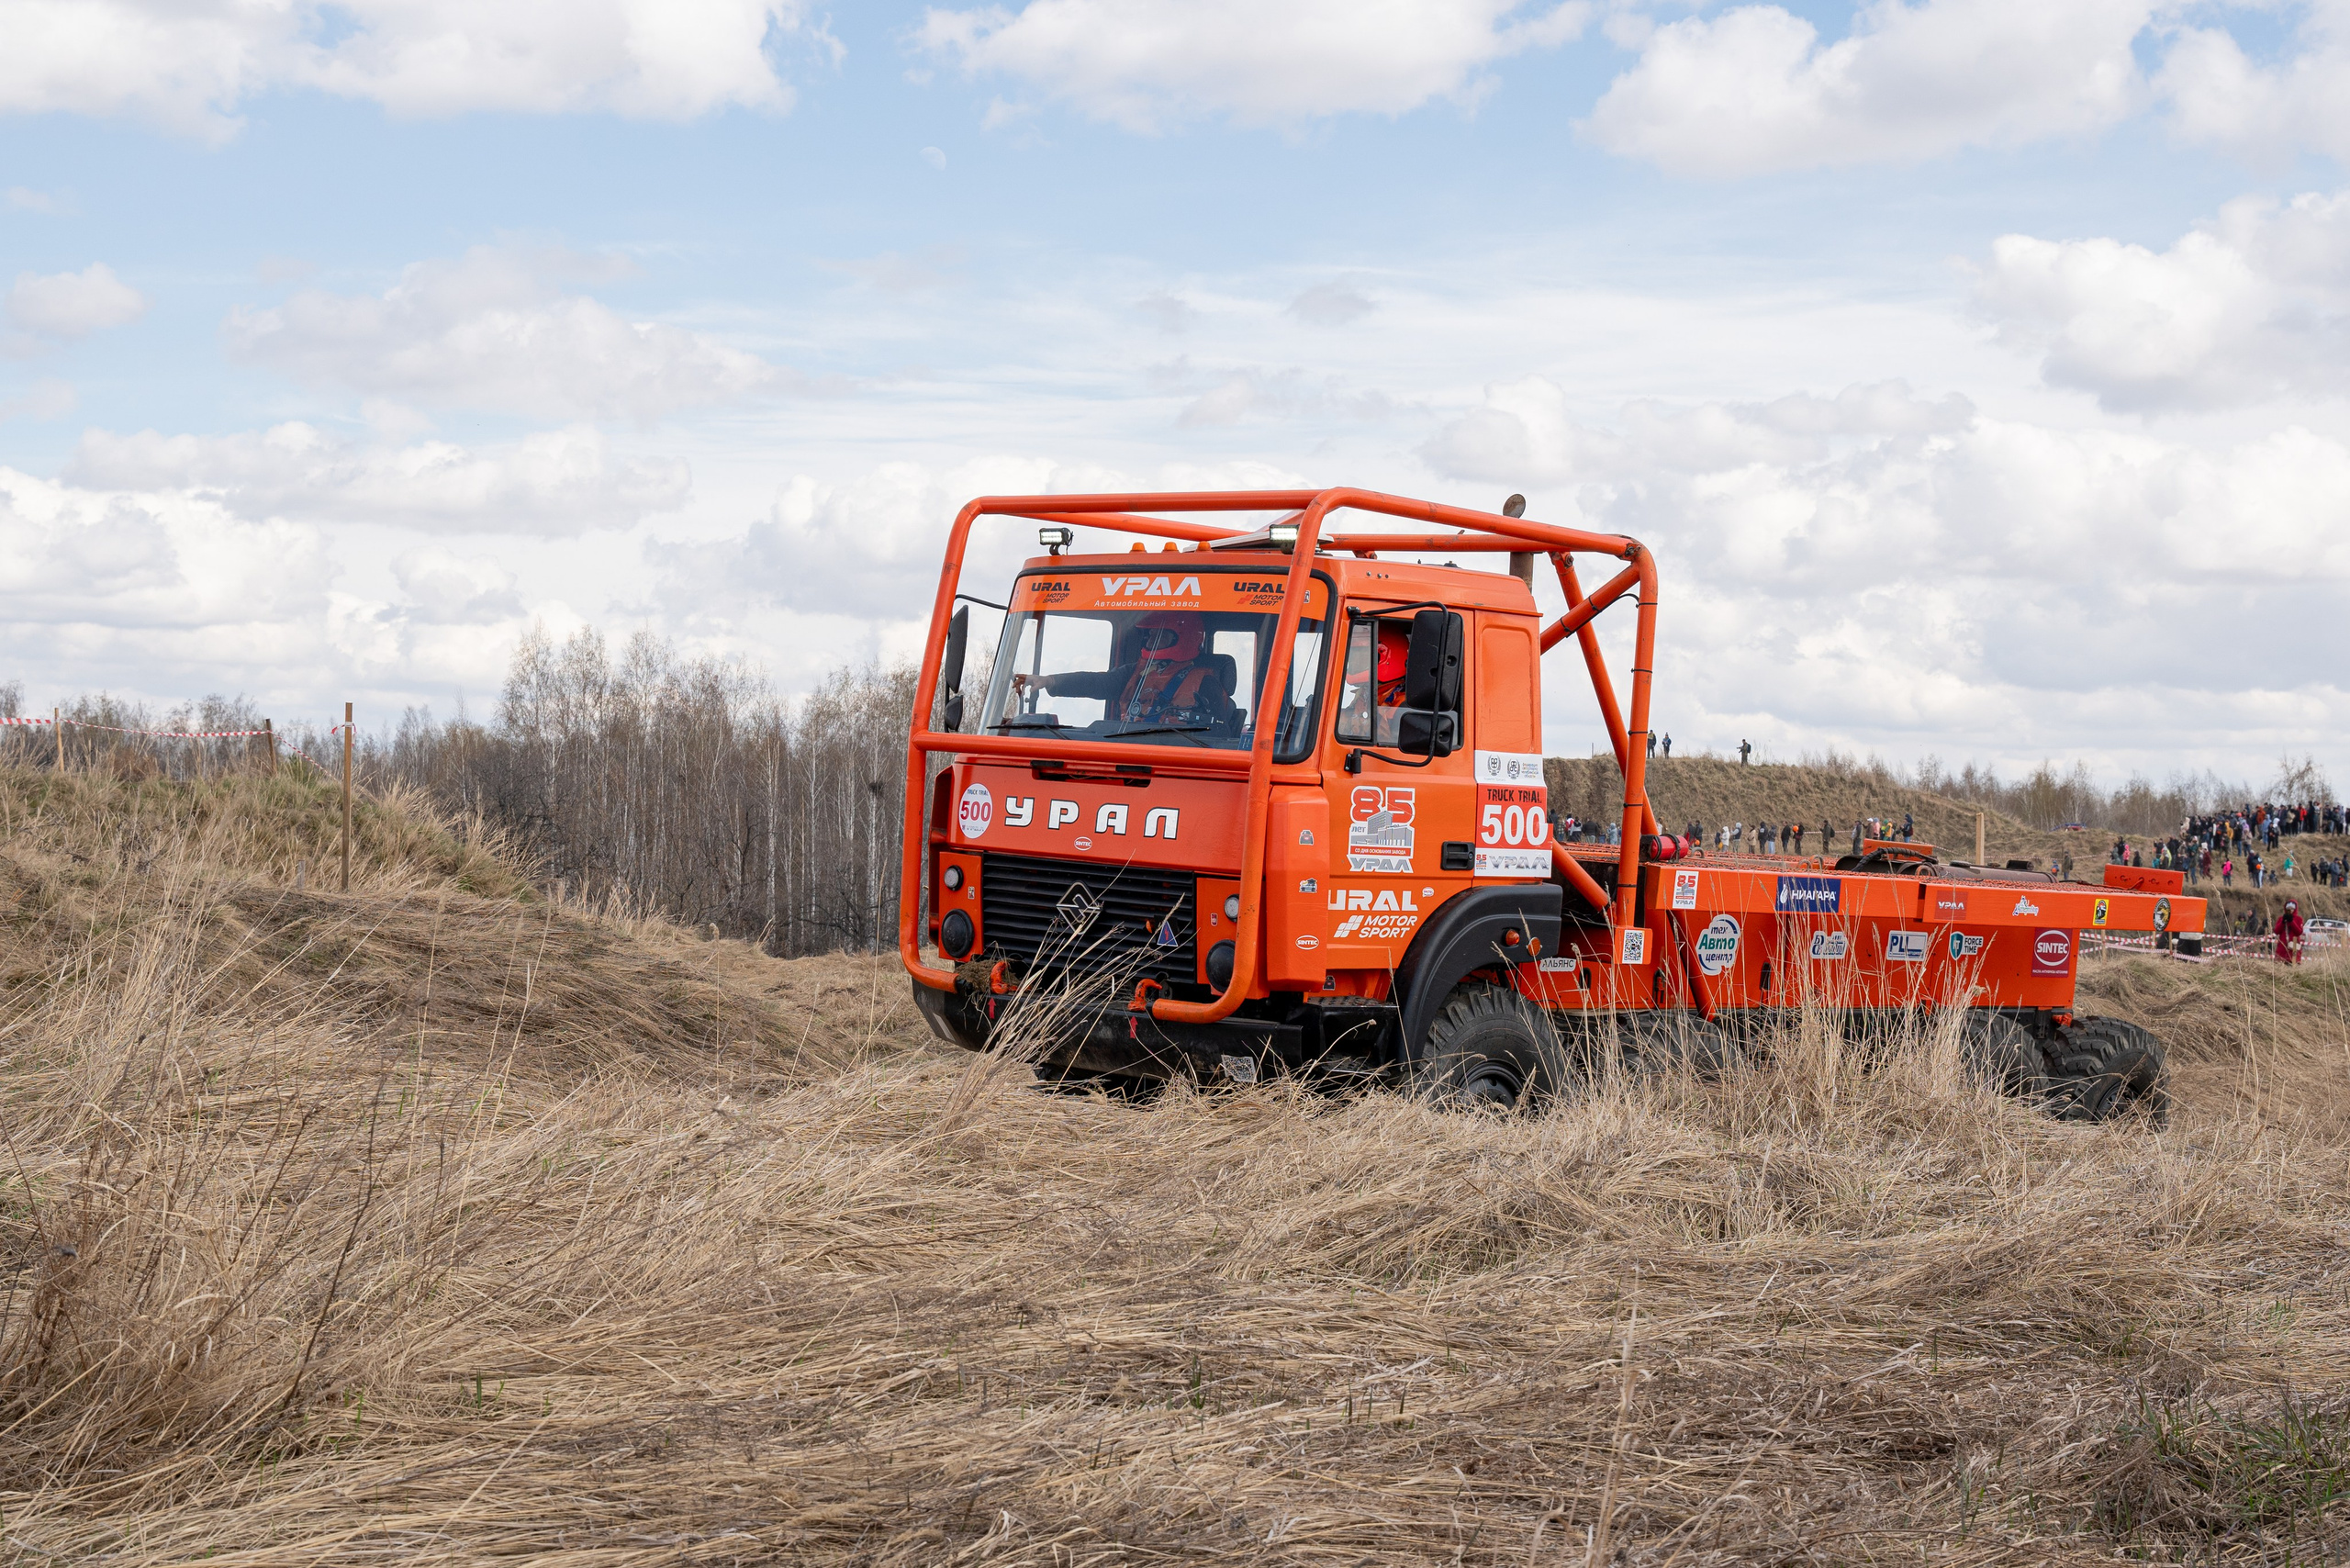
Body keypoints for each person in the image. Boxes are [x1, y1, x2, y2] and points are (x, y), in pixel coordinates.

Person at [1015, 610, 1234, 730]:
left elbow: (1220, 735)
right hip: (1129, 752)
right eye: (1149, 635)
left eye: (1160, 635)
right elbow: (1096, 683)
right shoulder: (1136, 673)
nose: (1151, 641)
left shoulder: (1205, 682)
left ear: (1185, 636)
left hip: (1179, 762)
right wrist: (1050, 681)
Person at [2276, 899, 2305, 965]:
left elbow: (2299, 932)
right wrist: (2283, 922)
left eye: (2292, 909)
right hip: (2282, 946)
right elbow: (2277, 931)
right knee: (2280, 964)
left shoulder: (2298, 919)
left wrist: (2291, 921)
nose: (2290, 910)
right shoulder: (2281, 919)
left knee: (2293, 963)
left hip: (2293, 945)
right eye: (2288, 908)